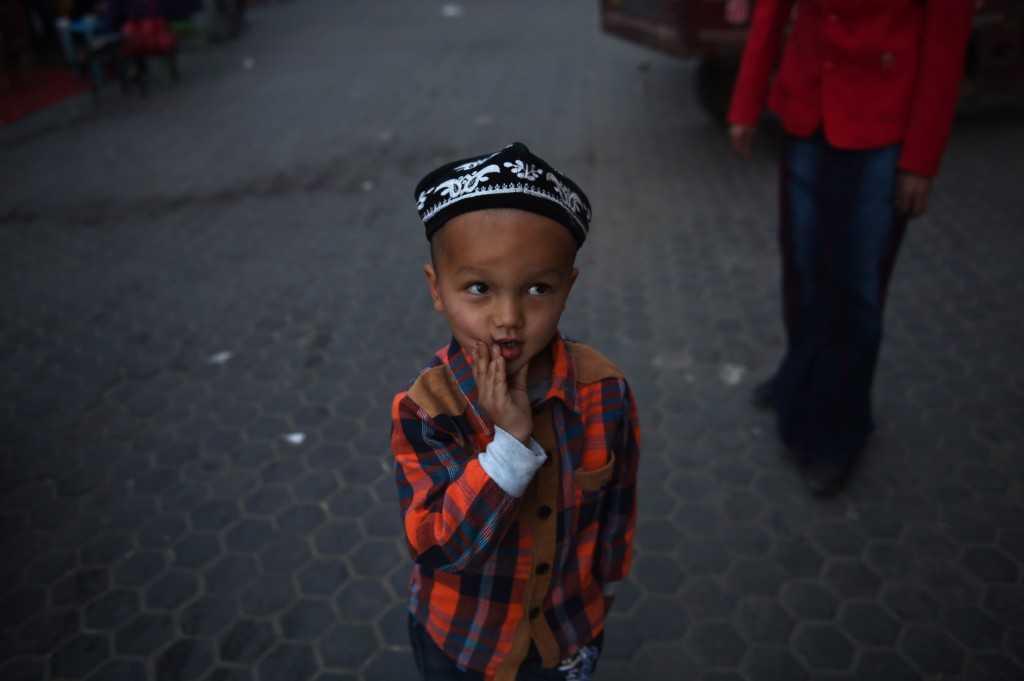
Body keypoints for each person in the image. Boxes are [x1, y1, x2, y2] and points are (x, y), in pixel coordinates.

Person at [391, 142, 640, 680]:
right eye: (478, 288)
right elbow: (438, 549)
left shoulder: (606, 391)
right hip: (462, 643)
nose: (508, 318)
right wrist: (507, 446)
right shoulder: (428, 410)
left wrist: (606, 590)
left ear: (567, 288)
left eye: (537, 288)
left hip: (567, 637)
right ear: (437, 289)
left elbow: (618, 505)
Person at [728, 1, 975, 494]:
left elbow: (946, 40)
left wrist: (921, 159)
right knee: (802, 268)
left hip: (883, 123)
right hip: (807, 106)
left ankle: (841, 430)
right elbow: (773, 11)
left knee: (857, 289)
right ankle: (800, 375)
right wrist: (747, 101)